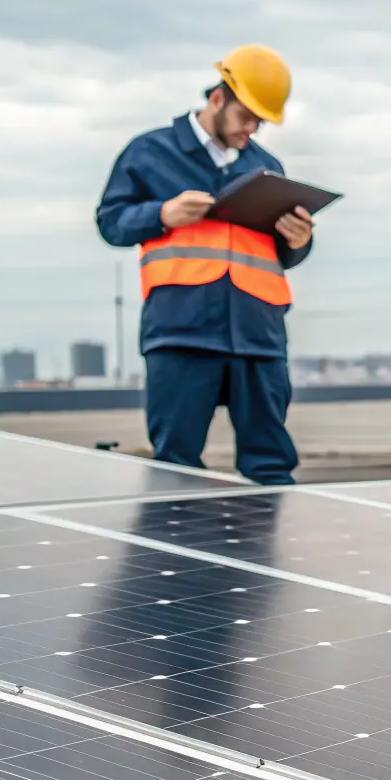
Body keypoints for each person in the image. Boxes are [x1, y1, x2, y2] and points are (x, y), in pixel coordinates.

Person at [95, 44, 313, 485]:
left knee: (271, 467)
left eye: (260, 121)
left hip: (259, 336)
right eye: (245, 117)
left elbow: (279, 255)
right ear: (218, 99)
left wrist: (299, 241)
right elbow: (111, 223)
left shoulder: (267, 167)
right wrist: (160, 214)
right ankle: (177, 558)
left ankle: (268, 556)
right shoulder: (149, 153)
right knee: (175, 467)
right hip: (182, 332)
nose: (252, 129)